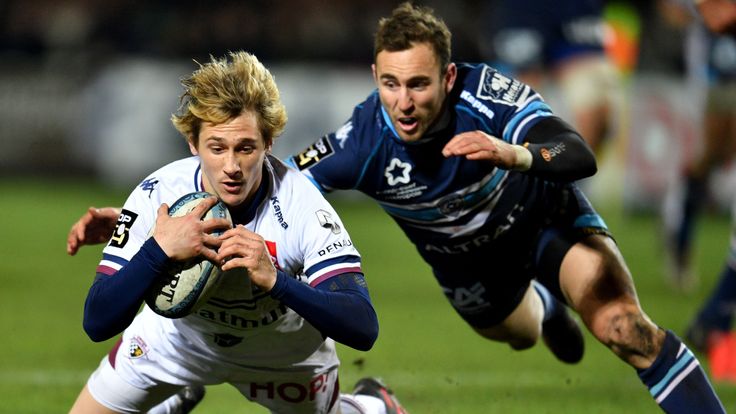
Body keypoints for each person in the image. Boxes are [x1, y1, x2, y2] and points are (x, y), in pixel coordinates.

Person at [67, 3, 725, 412]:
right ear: (376, 80)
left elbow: (577, 152)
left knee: (621, 328)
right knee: (521, 333)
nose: (404, 101)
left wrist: (515, 155)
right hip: (471, 269)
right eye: (389, 84)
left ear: (447, 76)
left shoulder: (490, 97)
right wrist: (145, 221)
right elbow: (271, 190)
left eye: (417, 84)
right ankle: (547, 309)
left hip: (544, 219)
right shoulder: (363, 143)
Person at [67, 51, 407, 414]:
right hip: (177, 343)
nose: (232, 167)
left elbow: (362, 325)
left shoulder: (302, 206)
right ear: (193, 144)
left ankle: (374, 407)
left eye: (246, 148)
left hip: (283, 358)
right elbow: (97, 321)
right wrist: (156, 250)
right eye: (217, 148)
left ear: (269, 144)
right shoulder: (159, 195)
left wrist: (276, 280)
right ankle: (174, 398)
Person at [479, 0, 620, 156]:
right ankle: (525, 171)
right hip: (522, 10)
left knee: (596, 105)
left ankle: (567, 172)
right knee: (520, 101)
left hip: (573, 12)